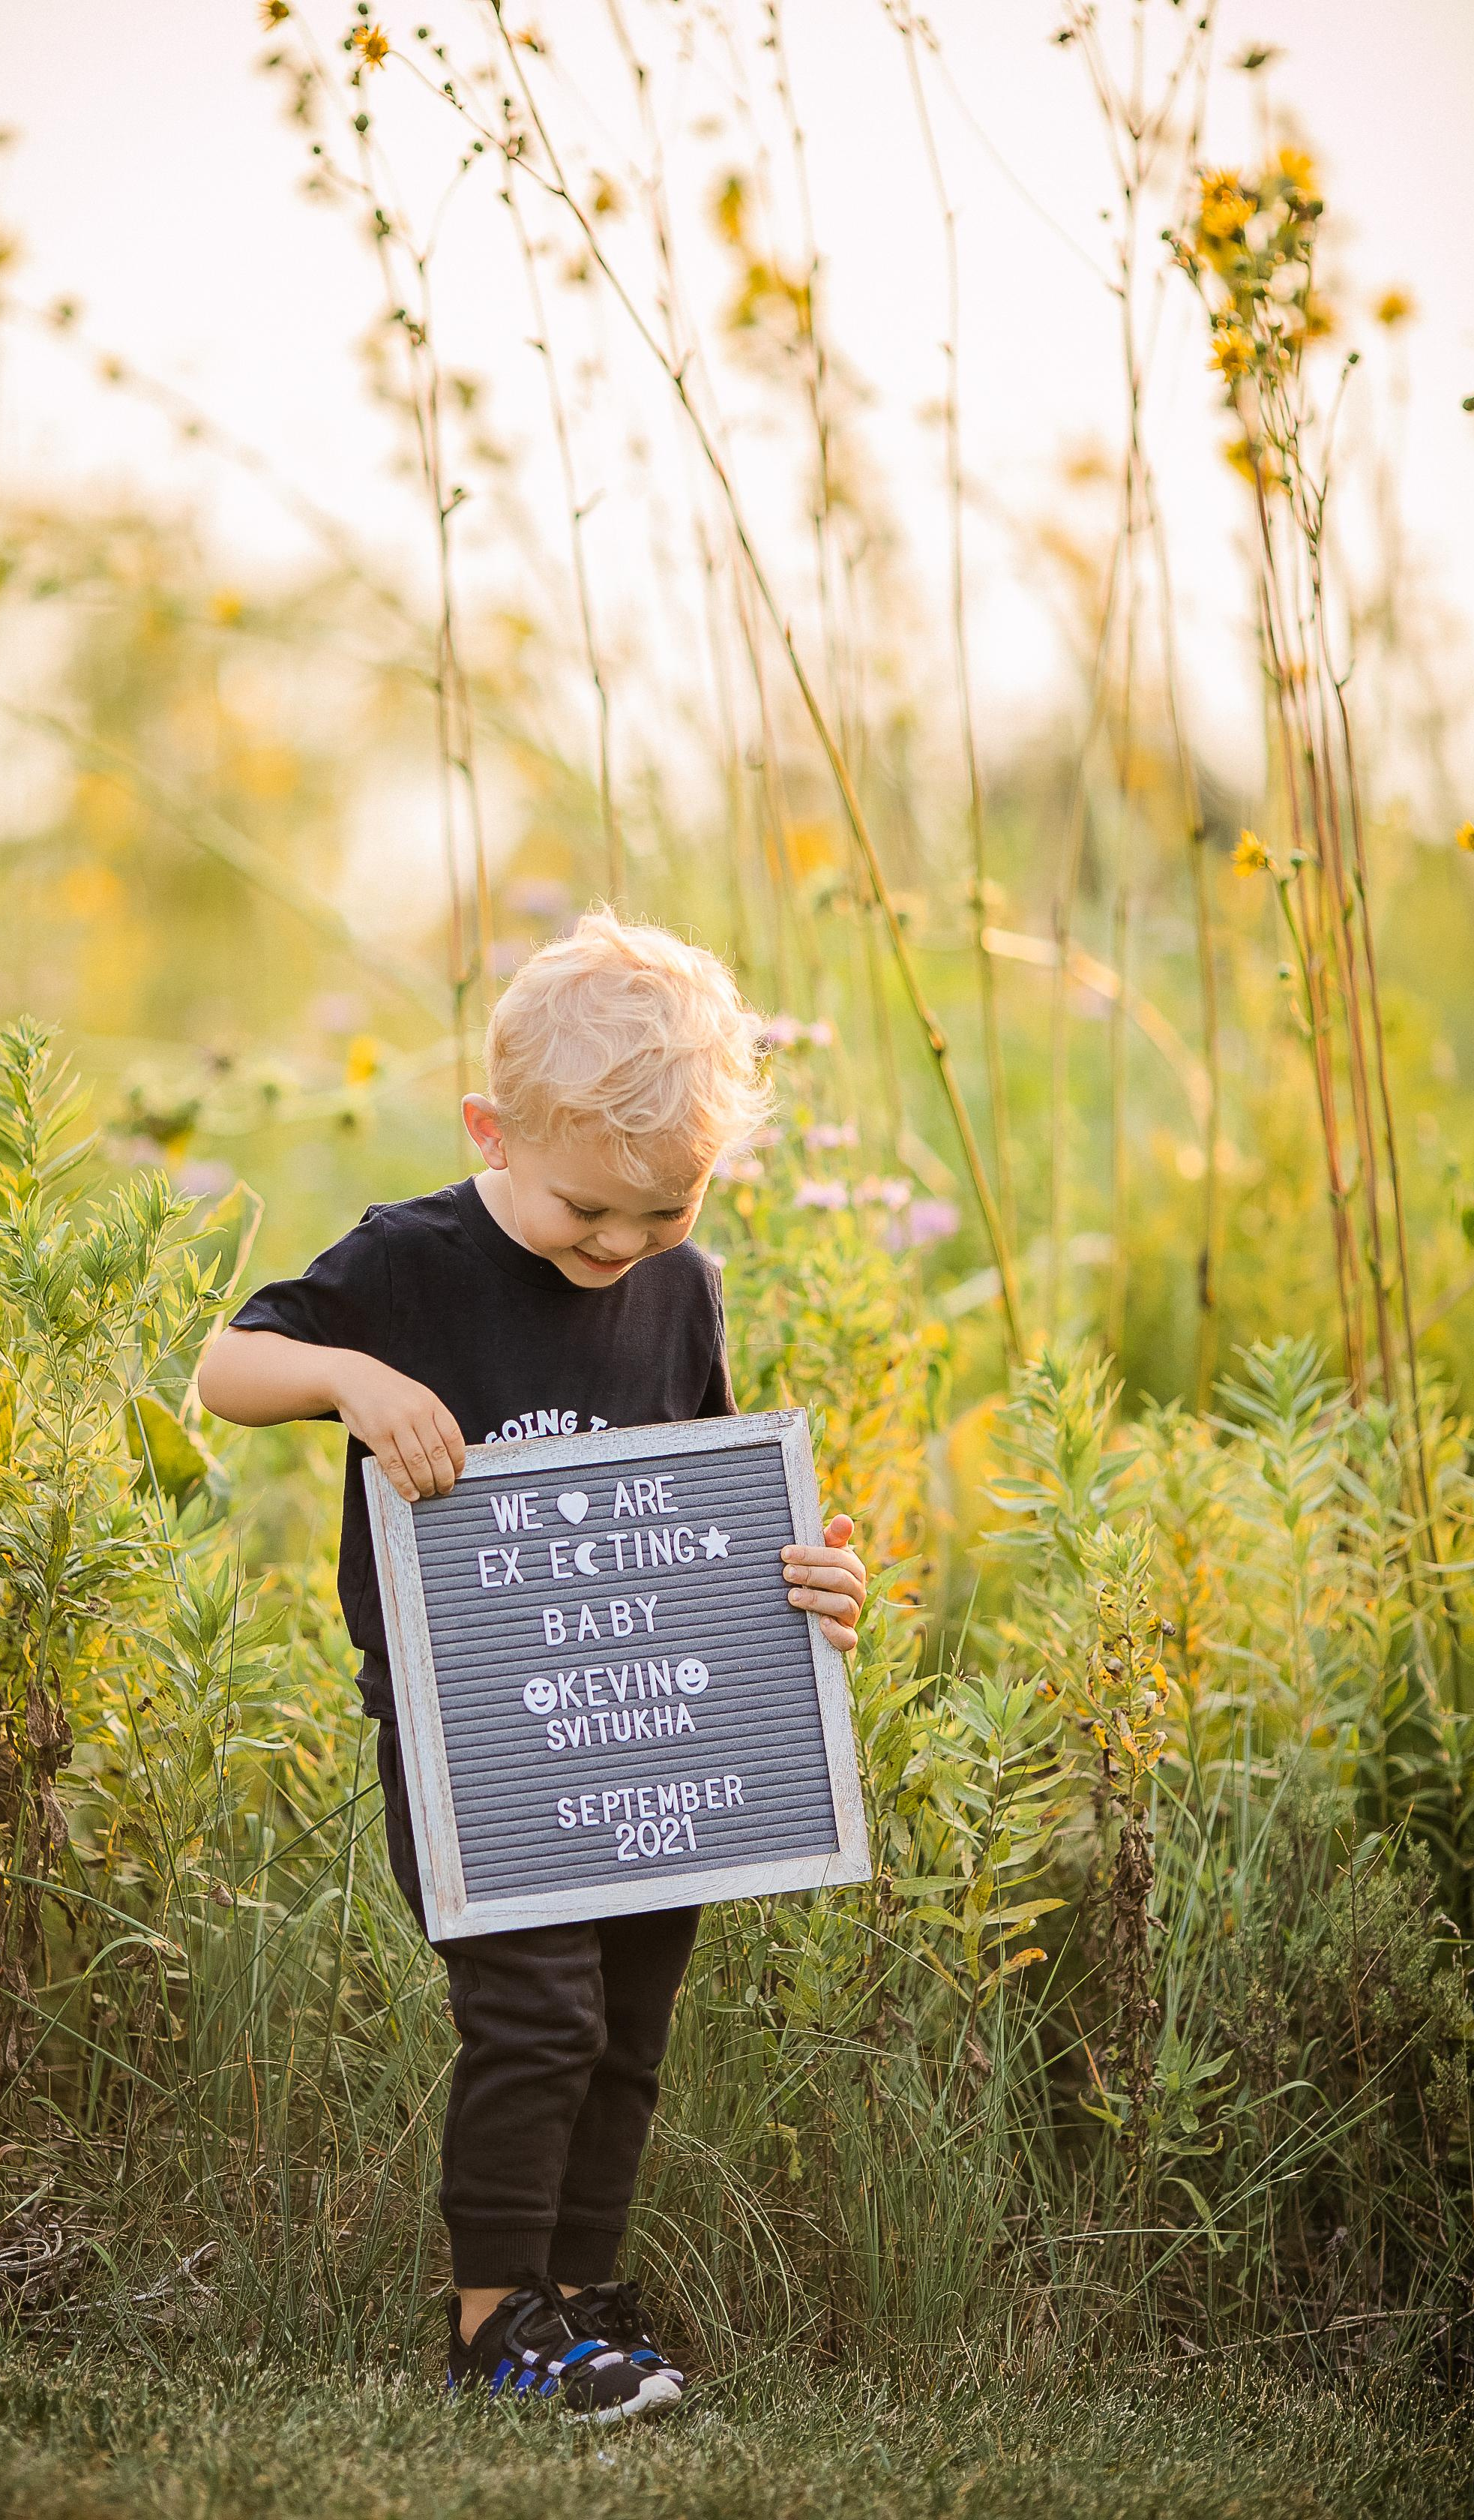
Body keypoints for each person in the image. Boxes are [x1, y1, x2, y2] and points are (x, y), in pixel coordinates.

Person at [197, 912, 867, 2420]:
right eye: (586, 1215)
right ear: (493, 1132)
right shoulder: (411, 1264)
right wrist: (353, 1379)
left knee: (627, 2020)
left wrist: (814, 1579)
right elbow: (227, 1370)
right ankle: (492, 2324)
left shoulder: (680, 1293)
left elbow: (704, 1505)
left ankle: (583, 2293)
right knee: (535, 2015)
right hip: (480, 1743)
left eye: (667, 1211)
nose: (621, 1250)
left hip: (651, 1739)